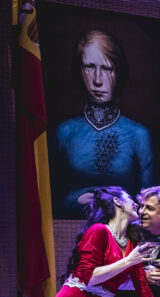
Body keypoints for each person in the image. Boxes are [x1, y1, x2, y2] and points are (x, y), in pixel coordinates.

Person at [52, 29, 154, 219]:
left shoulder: (138, 135)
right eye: (89, 67)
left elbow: (151, 204)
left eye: (107, 68)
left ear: (118, 71)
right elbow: (49, 200)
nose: (98, 80)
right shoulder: (65, 132)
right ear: (79, 71)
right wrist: (75, 201)